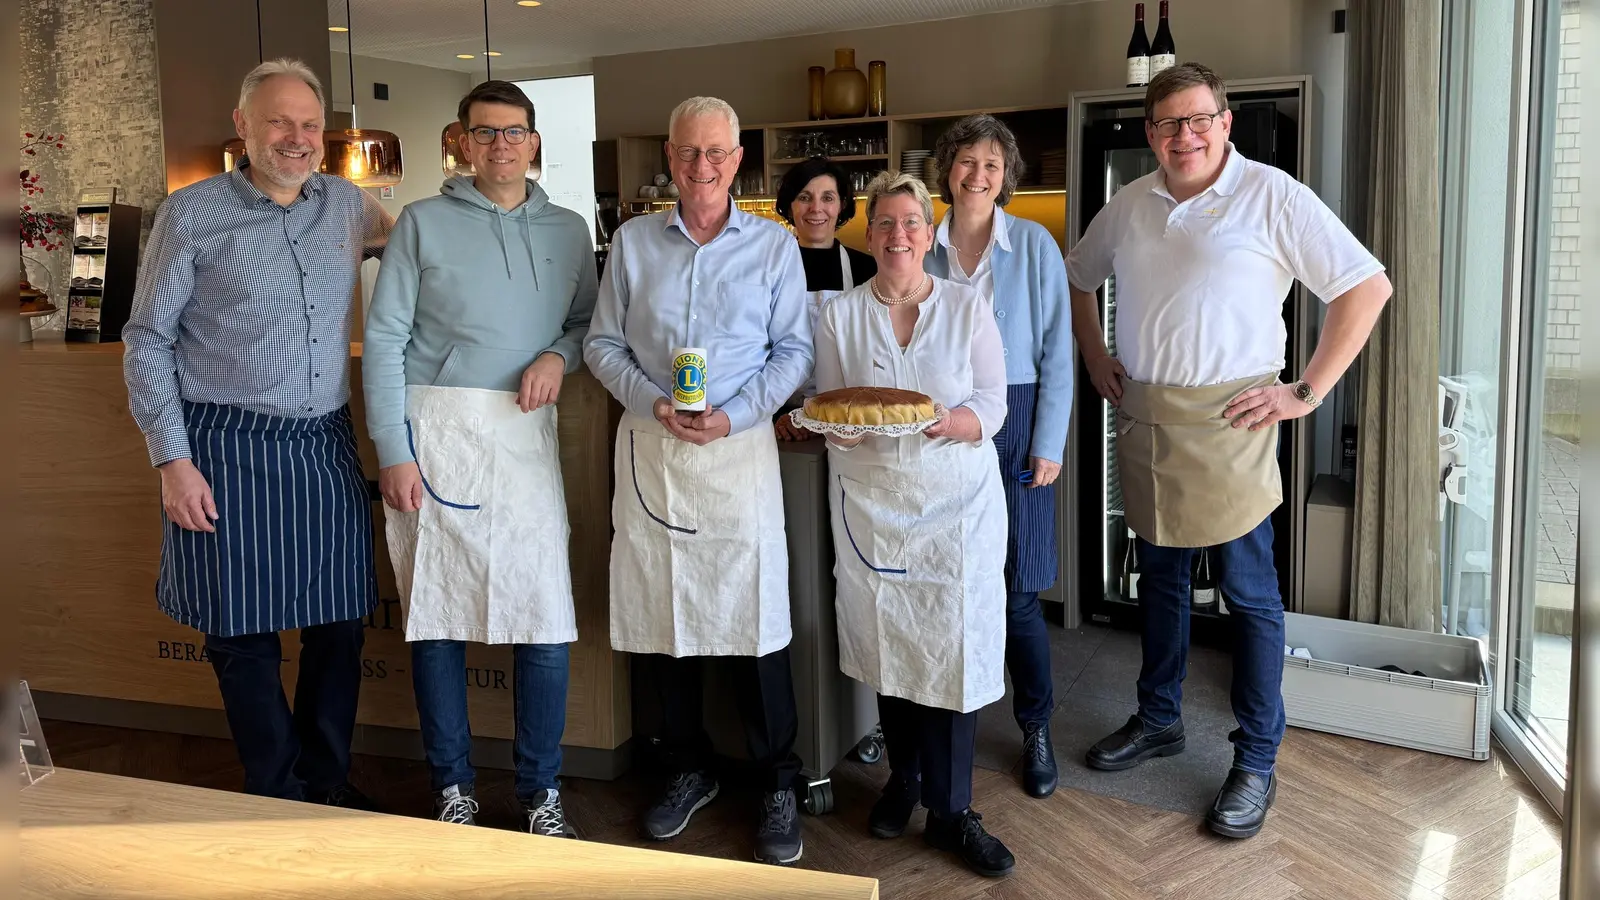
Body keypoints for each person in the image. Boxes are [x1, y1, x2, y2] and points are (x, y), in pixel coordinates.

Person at [1066, 62, 1392, 839]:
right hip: (1148, 422)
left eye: (1198, 119)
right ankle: (1159, 718)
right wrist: (1093, 353)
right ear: (1149, 133)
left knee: (1250, 598)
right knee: (1164, 587)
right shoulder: (1131, 203)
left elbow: (1366, 288)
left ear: (1225, 122)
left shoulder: (1272, 195)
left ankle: (1256, 757)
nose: (1184, 136)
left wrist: (1304, 392)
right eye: (1168, 124)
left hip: (1235, 425)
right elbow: (1080, 278)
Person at [122, 58, 392, 806]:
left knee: (339, 626)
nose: (297, 138)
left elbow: (410, 245)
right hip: (224, 445)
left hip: (324, 442)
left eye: (309, 125)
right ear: (243, 126)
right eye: (279, 121)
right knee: (242, 640)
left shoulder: (345, 204)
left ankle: (328, 783)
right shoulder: (192, 214)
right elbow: (147, 339)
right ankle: (276, 793)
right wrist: (172, 461)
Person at [363, 80, 596, 838]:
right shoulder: (422, 225)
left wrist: (560, 358)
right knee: (436, 618)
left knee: (544, 621)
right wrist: (392, 451)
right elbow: (386, 341)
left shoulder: (569, 228)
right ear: (461, 142)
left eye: (515, 132)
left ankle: (541, 791)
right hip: (437, 434)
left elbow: (586, 321)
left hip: (524, 438)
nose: (501, 145)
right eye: (485, 132)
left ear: (534, 141)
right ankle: (452, 786)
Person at [582, 96, 811, 866]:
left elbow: (794, 352)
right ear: (670, 159)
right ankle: (684, 770)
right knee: (661, 620)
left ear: (737, 159)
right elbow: (602, 346)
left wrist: (740, 413)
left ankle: (778, 777)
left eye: (716, 153)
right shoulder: (634, 243)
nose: (702, 167)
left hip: (737, 452)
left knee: (754, 621)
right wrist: (649, 400)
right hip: (654, 448)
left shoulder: (775, 247)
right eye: (688, 153)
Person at [813, 171, 1016, 877]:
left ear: (929, 234)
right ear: (868, 236)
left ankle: (954, 810)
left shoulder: (967, 307)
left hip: (955, 504)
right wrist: (831, 431)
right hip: (871, 504)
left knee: (952, 649)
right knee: (889, 642)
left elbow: (994, 405)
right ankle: (905, 778)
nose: (898, 236)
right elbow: (834, 407)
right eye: (885, 223)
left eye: (911, 223)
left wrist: (950, 421)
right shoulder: (840, 316)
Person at [923, 114, 1074, 798]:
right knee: (949, 583)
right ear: (947, 170)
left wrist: (1048, 444)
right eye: (965, 161)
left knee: (1017, 594)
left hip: (1015, 422)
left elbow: (1058, 353)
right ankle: (946, 723)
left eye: (990, 164)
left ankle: (1035, 727)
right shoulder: (919, 247)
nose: (977, 174)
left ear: (1006, 175)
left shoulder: (1035, 246)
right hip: (941, 424)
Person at [771, 156, 876, 440]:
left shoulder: (867, 269)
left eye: (827, 197)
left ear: (841, 205)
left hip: (849, 417)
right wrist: (784, 416)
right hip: (784, 420)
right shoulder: (770, 270)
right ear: (790, 205)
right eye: (805, 197)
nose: (816, 208)